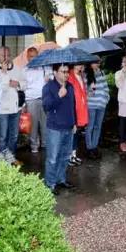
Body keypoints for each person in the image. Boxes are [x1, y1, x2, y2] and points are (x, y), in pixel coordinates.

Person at [42, 63, 77, 195]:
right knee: (53, 157)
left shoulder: (70, 86)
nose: (66, 74)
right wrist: (58, 96)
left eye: (67, 71)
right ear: (55, 72)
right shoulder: (48, 87)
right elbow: (46, 106)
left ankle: (60, 179)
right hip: (55, 128)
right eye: (63, 71)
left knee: (65, 156)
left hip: (69, 126)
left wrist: (74, 123)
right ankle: (50, 183)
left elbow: (73, 106)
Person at [0, 46, 26, 161]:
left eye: (8, 55)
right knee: (2, 135)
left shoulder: (17, 68)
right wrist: (4, 74)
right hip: (2, 108)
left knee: (14, 135)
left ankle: (11, 157)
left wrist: (18, 84)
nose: (6, 57)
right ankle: (2, 158)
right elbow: (2, 88)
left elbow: (25, 84)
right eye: (3, 55)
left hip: (16, 107)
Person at [24, 47, 50, 153]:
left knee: (45, 124)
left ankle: (45, 144)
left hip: (44, 99)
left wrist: (49, 78)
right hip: (31, 100)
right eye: (31, 56)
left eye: (35, 56)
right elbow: (22, 87)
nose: (33, 58)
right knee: (33, 125)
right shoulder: (24, 70)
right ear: (27, 57)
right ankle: (34, 146)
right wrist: (24, 104)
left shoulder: (45, 67)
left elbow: (53, 78)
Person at [84, 58, 110, 159]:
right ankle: (89, 148)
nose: (97, 64)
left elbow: (106, 87)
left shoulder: (101, 72)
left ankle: (94, 147)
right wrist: (90, 89)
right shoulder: (85, 74)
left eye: (98, 62)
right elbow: (84, 91)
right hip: (91, 104)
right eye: (95, 62)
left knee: (98, 127)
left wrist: (106, 99)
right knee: (90, 127)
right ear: (90, 63)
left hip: (101, 104)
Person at [68, 64, 88, 166]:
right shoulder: (70, 76)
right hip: (73, 108)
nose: (80, 66)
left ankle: (74, 154)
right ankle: (69, 156)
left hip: (80, 108)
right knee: (72, 132)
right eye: (78, 64)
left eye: (81, 64)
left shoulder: (80, 75)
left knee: (77, 133)